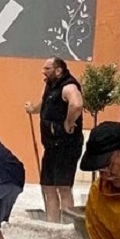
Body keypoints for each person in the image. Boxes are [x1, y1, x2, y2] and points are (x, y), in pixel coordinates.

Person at [23, 57, 83, 224]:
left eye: (47, 68)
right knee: (47, 186)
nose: (44, 71)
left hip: (66, 146)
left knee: (63, 187)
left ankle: (67, 225)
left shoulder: (68, 85)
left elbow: (77, 104)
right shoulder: (52, 85)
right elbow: (47, 103)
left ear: (58, 70)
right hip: (51, 145)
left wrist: (68, 123)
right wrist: (33, 109)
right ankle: (52, 223)